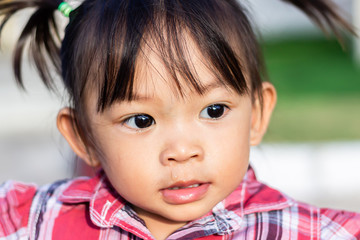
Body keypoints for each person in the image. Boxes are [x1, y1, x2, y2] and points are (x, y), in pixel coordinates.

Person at [0, 0, 359, 239]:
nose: (182, 150)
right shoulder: (34, 220)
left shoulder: (307, 232)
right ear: (83, 137)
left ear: (257, 115)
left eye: (213, 111)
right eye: (141, 120)